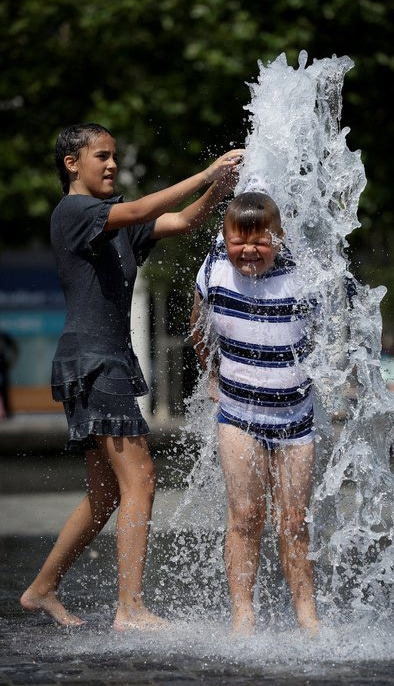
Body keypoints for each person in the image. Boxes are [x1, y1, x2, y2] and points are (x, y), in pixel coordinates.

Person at [20, 123, 243, 630]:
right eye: (101, 156)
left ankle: (42, 588)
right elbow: (141, 209)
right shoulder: (74, 213)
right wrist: (205, 170)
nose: (112, 164)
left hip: (104, 361)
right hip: (95, 362)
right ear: (72, 163)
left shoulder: (115, 224)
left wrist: (220, 187)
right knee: (141, 478)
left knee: (106, 496)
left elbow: (182, 220)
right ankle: (131, 607)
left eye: (114, 156)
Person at [190, 192, 319, 636]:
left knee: (294, 520)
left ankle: (308, 618)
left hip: (295, 420)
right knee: (245, 516)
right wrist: (211, 374)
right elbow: (197, 325)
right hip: (238, 414)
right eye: (237, 239)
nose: (248, 250)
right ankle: (242, 617)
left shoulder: (303, 277)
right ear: (224, 238)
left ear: (278, 239)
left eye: (260, 241)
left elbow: (328, 335)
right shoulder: (214, 270)